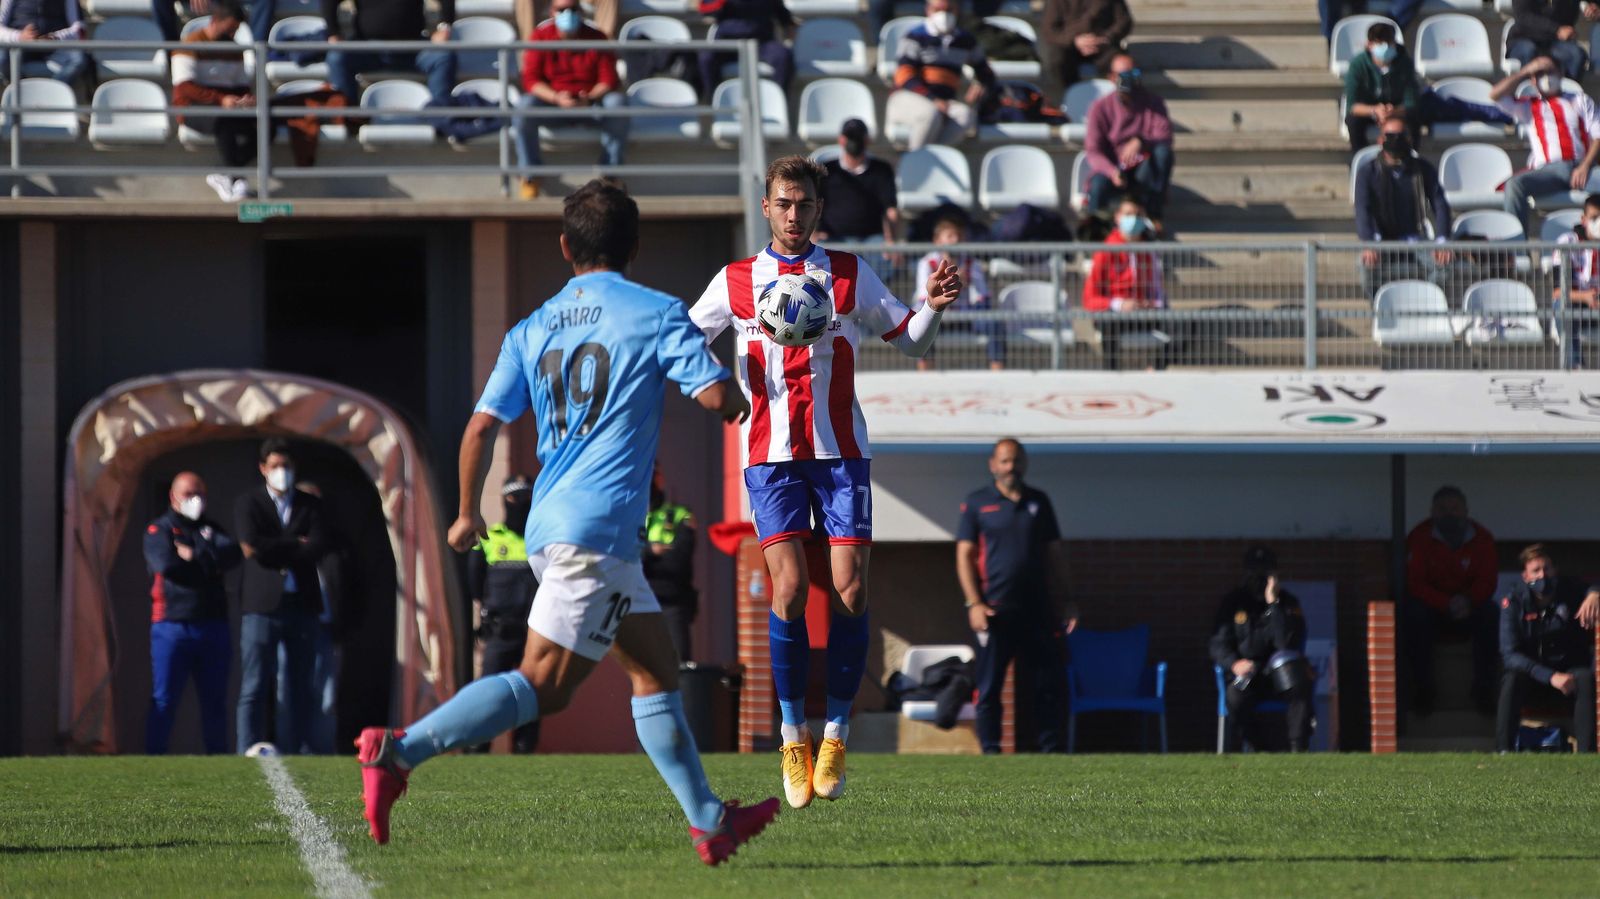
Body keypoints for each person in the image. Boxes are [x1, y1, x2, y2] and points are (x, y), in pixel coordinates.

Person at [354, 179, 779, 865]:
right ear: (634, 247)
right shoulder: (656, 312)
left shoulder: (532, 325)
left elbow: (481, 426)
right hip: (599, 529)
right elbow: (715, 398)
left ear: (564, 246)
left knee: (656, 671)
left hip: (557, 522)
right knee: (542, 686)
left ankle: (709, 819)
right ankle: (399, 752)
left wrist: (467, 512)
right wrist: (745, 389)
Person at [689, 155, 962, 809]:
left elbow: (912, 341)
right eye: (783, 203)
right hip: (770, 453)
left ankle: (835, 731)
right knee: (786, 587)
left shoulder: (847, 272)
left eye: (804, 204)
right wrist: (710, 386)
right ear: (766, 207)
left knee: (851, 586)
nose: (793, 214)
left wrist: (934, 306)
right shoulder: (735, 281)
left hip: (841, 454)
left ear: (818, 209)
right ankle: (792, 734)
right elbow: (683, 340)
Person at [955, 439, 1070, 754]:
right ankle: (991, 750)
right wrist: (974, 603)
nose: (1010, 467)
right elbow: (964, 555)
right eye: (1005, 461)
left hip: (1038, 610)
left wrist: (1067, 599)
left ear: (1025, 463)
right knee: (990, 687)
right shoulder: (978, 503)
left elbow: (1055, 554)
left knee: (1048, 684)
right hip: (995, 611)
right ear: (993, 464)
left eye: (1016, 461)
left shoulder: (1039, 502)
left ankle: (1052, 750)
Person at [236, 438, 330, 754]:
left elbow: (317, 547)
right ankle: (248, 747)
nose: (281, 472)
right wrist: (294, 544)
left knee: (299, 684)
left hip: (300, 604)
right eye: (274, 466)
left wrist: (275, 544)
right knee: (255, 684)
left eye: (286, 466)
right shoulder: (249, 502)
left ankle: (294, 748)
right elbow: (252, 548)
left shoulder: (310, 504)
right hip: (261, 606)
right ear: (263, 469)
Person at [142, 472, 243, 755]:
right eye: (188, 494)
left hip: (212, 624)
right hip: (172, 625)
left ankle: (218, 759)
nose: (195, 500)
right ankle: (154, 759)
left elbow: (232, 553)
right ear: (174, 496)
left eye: (200, 494)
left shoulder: (211, 528)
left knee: (214, 701)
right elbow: (168, 566)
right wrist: (208, 563)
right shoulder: (160, 529)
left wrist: (195, 553)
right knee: (164, 699)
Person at [513, 0, 627, 201]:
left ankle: (610, 174)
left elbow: (609, 79)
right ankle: (530, 175)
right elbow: (531, 80)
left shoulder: (597, 37)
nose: (568, 13)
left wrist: (589, 97)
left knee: (617, 103)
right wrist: (556, 97)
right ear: (552, 11)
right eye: (562, 9)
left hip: (590, 106)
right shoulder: (540, 37)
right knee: (524, 107)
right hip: (553, 105)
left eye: (573, 9)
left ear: (581, 12)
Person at [1344, 22, 1514, 154]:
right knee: (1353, 121)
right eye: (1379, 43)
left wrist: (1391, 112)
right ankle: (1360, 160)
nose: (1385, 48)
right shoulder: (1358, 66)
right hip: (1372, 111)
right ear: (1369, 45)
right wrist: (1375, 110)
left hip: (1400, 110)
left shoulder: (1404, 63)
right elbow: (1353, 104)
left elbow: (1411, 102)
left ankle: (1412, 158)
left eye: (1388, 42)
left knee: (1415, 117)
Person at [1403, 485, 1499, 717]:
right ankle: (1424, 691)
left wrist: (1468, 601)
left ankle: (1484, 691)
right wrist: (1446, 603)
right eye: (1443, 508)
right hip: (1434, 610)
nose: (1449, 513)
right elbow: (1415, 583)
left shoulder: (1483, 538)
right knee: (1413, 614)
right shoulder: (1419, 537)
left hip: (1469, 609)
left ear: (1466, 510)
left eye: (1455, 508)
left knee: (1491, 613)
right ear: (1432, 511)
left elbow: (1487, 581)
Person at [1495, 544, 1599, 752]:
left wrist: (1594, 595)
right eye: (1536, 571)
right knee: (1511, 678)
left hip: (1569, 676)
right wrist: (1550, 676)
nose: (1543, 575)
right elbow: (1510, 655)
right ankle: (1503, 750)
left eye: (1547, 569)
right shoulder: (1514, 601)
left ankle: (1587, 752)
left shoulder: (1569, 590)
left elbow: (1591, 586)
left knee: (1586, 678)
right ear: (1525, 576)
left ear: (1554, 570)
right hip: (1533, 677)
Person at [465, 474, 542, 754]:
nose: (520, 504)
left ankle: (524, 748)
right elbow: (474, 584)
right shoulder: (489, 538)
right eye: (514, 498)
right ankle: (478, 746)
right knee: (488, 689)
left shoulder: (541, 540)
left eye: (526, 498)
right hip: (500, 628)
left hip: (535, 630)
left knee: (531, 690)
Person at [1209, 546, 1313, 752]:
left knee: (1300, 683)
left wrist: (1273, 604)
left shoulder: (1287, 603)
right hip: (1249, 673)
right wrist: (1234, 663)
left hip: (1279, 675)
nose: (1259, 577)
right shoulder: (1233, 603)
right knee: (1235, 698)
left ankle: (1298, 750)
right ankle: (1261, 750)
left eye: (1265, 572)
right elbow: (1217, 643)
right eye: (1254, 571)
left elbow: (1286, 643)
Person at [277, 480, 351, 755]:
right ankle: (288, 750)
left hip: (326, 627)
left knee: (326, 696)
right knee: (287, 690)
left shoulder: (336, 545)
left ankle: (320, 753)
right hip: (292, 624)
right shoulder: (283, 543)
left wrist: (346, 624)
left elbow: (355, 587)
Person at [1492, 55, 1600, 234]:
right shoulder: (1528, 106)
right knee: (1514, 185)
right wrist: (1526, 71)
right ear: (1533, 80)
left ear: (1561, 73)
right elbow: (1495, 95)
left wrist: (1585, 166)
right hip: (1548, 171)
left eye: (1550, 71)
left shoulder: (1580, 100)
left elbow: (1598, 135)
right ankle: (1518, 253)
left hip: (1583, 168)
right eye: (1540, 73)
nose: (1546, 77)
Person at [1353, 113, 1454, 299]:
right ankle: (1381, 310)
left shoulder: (1422, 168)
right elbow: (1362, 209)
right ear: (1380, 140)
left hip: (1414, 239)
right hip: (1381, 241)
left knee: (1444, 264)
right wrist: (1368, 242)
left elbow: (1440, 204)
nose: (1396, 141)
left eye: (1401, 136)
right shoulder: (1367, 172)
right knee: (1365, 266)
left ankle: (1426, 305)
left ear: (1409, 138)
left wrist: (1442, 241)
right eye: (1390, 136)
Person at [171, 0, 258, 203]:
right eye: (230, 28)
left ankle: (226, 173)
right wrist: (220, 99)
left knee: (265, 125)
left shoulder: (235, 50)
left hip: (226, 106)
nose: (233, 34)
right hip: (192, 108)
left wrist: (245, 98)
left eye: (236, 30)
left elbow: (240, 85)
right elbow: (184, 87)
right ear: (215, 21)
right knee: (224, 120)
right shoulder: (190, 44)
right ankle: (237, 178)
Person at [885, 0, 996, 151]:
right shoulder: (915, 36)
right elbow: (903, 76)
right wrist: (932, 99)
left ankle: (933, 157)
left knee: (965, 116)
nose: (943, 14)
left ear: (956, 11)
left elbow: (985, 71)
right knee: (930, 113)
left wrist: (981, 84)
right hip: (907, 98)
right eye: (938, 9)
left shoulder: (965, 40)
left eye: (949, 10)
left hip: (943, 102)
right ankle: (914, 161)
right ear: (928, 10)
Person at [1084, 196, 1175, 370]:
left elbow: (1157, 289)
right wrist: (1119, 304)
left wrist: (1153, 303)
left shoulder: (1149, 251)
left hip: (1144, 312)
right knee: (1109, 326)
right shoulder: (1106, 252)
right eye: (1128, 214)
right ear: (1117, 217)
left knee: (1185, 326)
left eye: (1138, 215)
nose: (1133, 219)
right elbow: (1089, 299)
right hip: (1116, 314)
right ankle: (1112, 377)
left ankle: (1155, 369)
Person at [1084, 53, 1174, 223]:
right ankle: (1095, 234)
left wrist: (1141, 140)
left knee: (1163, 153)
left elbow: (1165, 135)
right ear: (1111, 77)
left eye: (1134, 74)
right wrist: (1112, 171)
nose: (1130, 80)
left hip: (1143, 169)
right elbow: (1093, 150)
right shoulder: (1100, 108)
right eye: (1124, 75)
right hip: (1114, 169)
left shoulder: (1153, 103)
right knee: (1098, 185)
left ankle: (1154, 217)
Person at [323, 0, 458, 107]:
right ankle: (347, 118)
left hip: (413, 48)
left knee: (442, 57)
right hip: (368, 49)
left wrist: (444, 27)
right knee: (337, 57)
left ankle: (441, 118)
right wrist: (333, 32)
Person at [912, 215, 998, 371]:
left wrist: (965, 281)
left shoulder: (972, 263)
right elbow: (923, 296)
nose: (955, 240)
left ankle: (998, 371)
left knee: (994, 323)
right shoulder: (927, 263)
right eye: (950, 236)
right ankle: (925, 373)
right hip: (938, 315)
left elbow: (983, 297)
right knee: (922, 322)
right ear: (937, 241)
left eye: (958, 236)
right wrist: (946, 284)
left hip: (966, 315)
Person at [643, 465, 699, 662]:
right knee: (644, 669)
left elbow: (678, 563)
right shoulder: (633, 518)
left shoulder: (680, 515)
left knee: (679, 667)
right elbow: (622, 559)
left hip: (673, 605)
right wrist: (651, 551)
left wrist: (643, 558)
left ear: (660, 479)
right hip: (640, 603)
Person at [815, 119, 899, 247]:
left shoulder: (882, 170)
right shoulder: (826, 170)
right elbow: (812, 204)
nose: (855, 142)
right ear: (841, 140)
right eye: (851, 137)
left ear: (867, 140)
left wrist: (890, 241)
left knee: (888, 259)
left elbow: (890, 209)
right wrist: (813, 234)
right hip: (833, 238)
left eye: (858, 137)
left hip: (873, 240)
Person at [697, 0, 794, 98]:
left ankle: (777, 101)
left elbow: (783, 15)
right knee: (707, 57)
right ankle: (713, 101)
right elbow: (706, 10)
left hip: (761, 42)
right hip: (728, 43)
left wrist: (791, 25)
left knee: (783, 56)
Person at [1551, 193, 1600, 366]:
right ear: (1583, 219)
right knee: (1561, 305)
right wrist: (1586, 296)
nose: (1598, 224)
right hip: (1578, 305)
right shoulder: (1567, 242)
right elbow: (1558, 292)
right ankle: (1575, 366)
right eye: (1594, 218)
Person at [1039, 0, 1131, 90]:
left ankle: (1121, 100)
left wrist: (1106, 38)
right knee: (1056, 60)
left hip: (1103, 46)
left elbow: (1124, 22)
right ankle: (1069, 97)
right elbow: (1049, 30)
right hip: (1069, 47)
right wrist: (1075, 41)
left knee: (1122, 63)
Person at [0, 0, 86, 88]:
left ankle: (52, 93)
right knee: (1, 58)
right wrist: (19, 36)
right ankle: (25, 92)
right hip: (20, 45)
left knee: (78, 60)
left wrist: (55, 37)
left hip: (55, 46)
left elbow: (79, 28)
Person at [1506, 0, 1595, 81]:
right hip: (1523, 37)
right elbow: (1523, 17)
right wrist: (1556, 29)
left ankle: (1566, 94)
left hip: (1554, 41)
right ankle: (1528, 95)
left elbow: (1569, 18)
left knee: (1577, 54)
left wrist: (1592, 6)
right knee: (1528, 51)